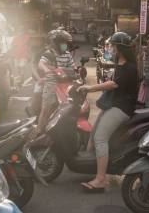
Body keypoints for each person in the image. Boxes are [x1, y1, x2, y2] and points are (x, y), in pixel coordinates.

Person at [78, 32, 139, 192]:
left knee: (100, 137)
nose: (111, 49)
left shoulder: (129, 67)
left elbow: (113, 85)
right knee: (93, 133)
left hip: (122, 108)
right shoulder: (120, 63)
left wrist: (90, 88)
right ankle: (94, 168)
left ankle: (101, 179)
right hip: (114, 105)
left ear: (120, 48)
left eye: (113, 46)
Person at [33, 29, 75, 137]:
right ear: (56, 43)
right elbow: (40, 64)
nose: (65, 45)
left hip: (65, 83)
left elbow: (73, 68)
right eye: (63, 43)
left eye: (66, 43)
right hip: (52, 82)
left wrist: (77, 72)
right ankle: (38, 131)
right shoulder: (49, 53)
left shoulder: (67, 54)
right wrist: (46, 70)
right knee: (46, 107)